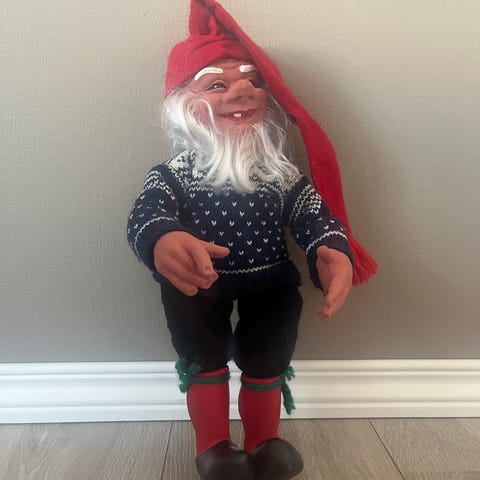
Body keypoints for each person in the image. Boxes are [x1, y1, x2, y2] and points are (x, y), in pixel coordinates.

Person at [127, 1, 377, 479]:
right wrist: (162, 239)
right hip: (196, 284)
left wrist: (331, 249)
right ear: (183, 105)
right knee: (203, 359)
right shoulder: (175, 174)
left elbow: (312, 213)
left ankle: (263, 440)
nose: (242, 90)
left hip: (271, 283)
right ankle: (214, 447)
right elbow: (146, 212)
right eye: (216, 84)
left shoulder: (280, 174)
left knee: (268, 357)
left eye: (251, 81)